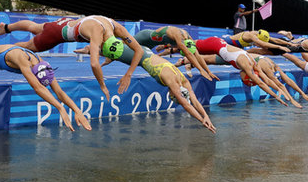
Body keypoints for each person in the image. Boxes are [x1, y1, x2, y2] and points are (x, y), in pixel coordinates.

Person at [75, 43, 217, 133]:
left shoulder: (183, 80)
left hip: (147, 52)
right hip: (141, 56)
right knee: (111, 50)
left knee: (114, 50)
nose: (171, 95)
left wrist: (206, 116)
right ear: (176, 93)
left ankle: (100, 53)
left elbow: (194, 100)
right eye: (174, 97)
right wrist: (201, 120)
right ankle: (88, 49)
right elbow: (187, 104)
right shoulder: (173, 83)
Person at [0, 15, 145, 100]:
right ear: (103, 44)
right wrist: (103, 86)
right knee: (27, 47)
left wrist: (129, 74)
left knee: (34, 27)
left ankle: (5, 28)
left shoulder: (116, 27)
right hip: (56, 35)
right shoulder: (97, 36)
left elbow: (138, 50)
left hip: (66, 22)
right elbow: (94, 64)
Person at [132, 26, 218, 81]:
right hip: (144, 37)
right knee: (124, 45)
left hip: (152, 44)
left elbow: (197, 56)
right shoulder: (178, 35)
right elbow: (188, 54)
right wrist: (201, 70)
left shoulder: (188, 39)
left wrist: (209, 72)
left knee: (137, 58)